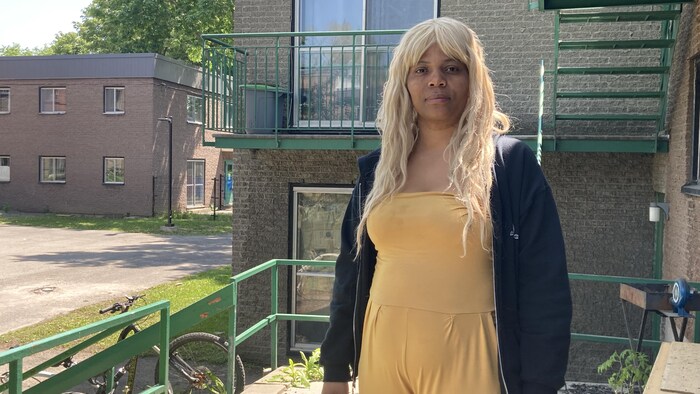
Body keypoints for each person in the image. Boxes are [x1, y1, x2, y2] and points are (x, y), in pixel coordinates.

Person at [319, 17, 572, 394]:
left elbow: (545, 288)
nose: (436, 79)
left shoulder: (509, 165)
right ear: (405, 83)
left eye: (451, 68)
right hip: (382, 359)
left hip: (472, 362)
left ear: (474, 79)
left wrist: (539, 385)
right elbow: (349, 274)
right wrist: (335, 370)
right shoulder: (379, 168)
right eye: (421, 69)